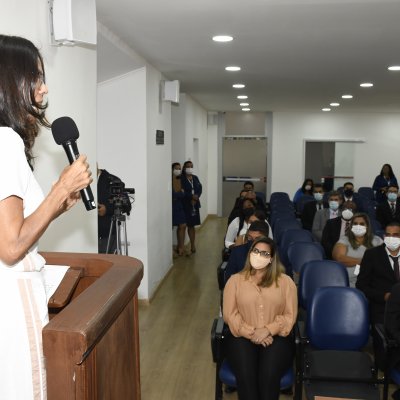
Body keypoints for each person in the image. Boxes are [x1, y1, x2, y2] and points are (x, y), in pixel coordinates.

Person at [0, 35, 93, 399]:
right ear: (12, 80)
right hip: (12, 300)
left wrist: (56, 205)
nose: (44, 88)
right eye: (36, 77)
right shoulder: (5, 141)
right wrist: (57, 191)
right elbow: (10, 247)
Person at [223, 237, 297, 400]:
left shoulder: (286, 282)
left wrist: (268, 330)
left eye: (264, 253)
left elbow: (289, 316)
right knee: (246, 374)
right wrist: (253, 332)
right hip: (240, 336)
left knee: (269, 374)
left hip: (277, 337)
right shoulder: (234, 281)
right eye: (256, 251)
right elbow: (230, 315)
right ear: (250, 254)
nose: (258, 255)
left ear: (271, 259)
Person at [333, 213, 383, 286]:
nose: (358, 226)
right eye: (355, 224)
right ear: (351, 226)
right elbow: (339, 258)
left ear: (367, 226)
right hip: (349, 282)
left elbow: (384, 258)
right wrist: (364, 261)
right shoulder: (344, 240)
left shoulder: (377, 240)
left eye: (362, 224)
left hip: (372, 281)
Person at [97, 167, 131, 254]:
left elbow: (126, 205)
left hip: (108, 233)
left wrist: (107, 209)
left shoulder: (112, 180)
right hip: (87, 235)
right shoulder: (83, 182)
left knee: (109, 263)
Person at [181, 160, 202, 253]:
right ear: (184, 168)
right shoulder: (181, 178)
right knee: (183, 225)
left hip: (195, 204)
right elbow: (181, 191)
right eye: (188, 166)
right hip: (185, 205)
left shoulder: (195, 178)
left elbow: (200, 188)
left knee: (191, 226)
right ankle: (181, 247)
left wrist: (196, 196)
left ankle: (193, 245)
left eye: (191, 166)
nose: (190, 168)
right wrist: (191, 196)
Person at [171, 163, 186, 256]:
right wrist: (180, 193)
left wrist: (180, 194)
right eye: (176, 168)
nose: (178, 170)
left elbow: (184, 192)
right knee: (170, 227)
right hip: (171, 206)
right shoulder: (169, 180)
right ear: (172, 169)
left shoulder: (181, 179)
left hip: (179, 205)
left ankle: (181, 247)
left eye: (179, 168)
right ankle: (171, 250)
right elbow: (173, 194)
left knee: (183, 225)